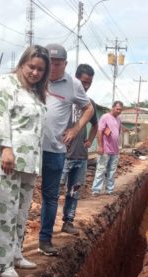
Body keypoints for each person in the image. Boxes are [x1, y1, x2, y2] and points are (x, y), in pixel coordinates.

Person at [0, 45, 50, 277]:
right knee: (5, 211)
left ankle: (16, 254)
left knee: (21, 211)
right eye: (32, 66)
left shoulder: (34, 92)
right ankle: (3, 262)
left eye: (40, 69)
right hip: (7, 158)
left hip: (29, 161)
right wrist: (6, 149)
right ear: (22, 63)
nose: (35, 72)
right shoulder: (6, 84)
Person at [38, 44, 94, 256]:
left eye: (58, 64)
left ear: (65, 64)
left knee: (51, 196)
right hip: (30, 149)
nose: (52, 68)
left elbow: (88, 108)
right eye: (49, 63)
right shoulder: (36, 76)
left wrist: (76, 128)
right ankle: (16, 246)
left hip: (55, 149)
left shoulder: (73, 84)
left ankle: (45, 240)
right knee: (22, 195)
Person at [60, 64, 99, 235]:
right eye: (83, 82)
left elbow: (95, 125)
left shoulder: (90, 105)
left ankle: (68, 221)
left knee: (74, 191)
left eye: (89, 83)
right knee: (55, 191)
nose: (86, 86)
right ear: (76, 79)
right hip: (63, 156)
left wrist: (89, 140)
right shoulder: (65, 99)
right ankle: (45, 227)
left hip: (81, 157)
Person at [91, 101, 124, 195]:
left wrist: (119, 147)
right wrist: (100, 146)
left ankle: (109, 190)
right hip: (105, 150)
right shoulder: (105, 117)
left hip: (115, 150)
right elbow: (100, 131)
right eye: (117, 109)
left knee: (112, 171)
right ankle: (96, 190)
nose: (119, 111)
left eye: (120, 110)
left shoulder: (118, 119)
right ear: (113, 107)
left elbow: (118, 133)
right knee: (101, 169)